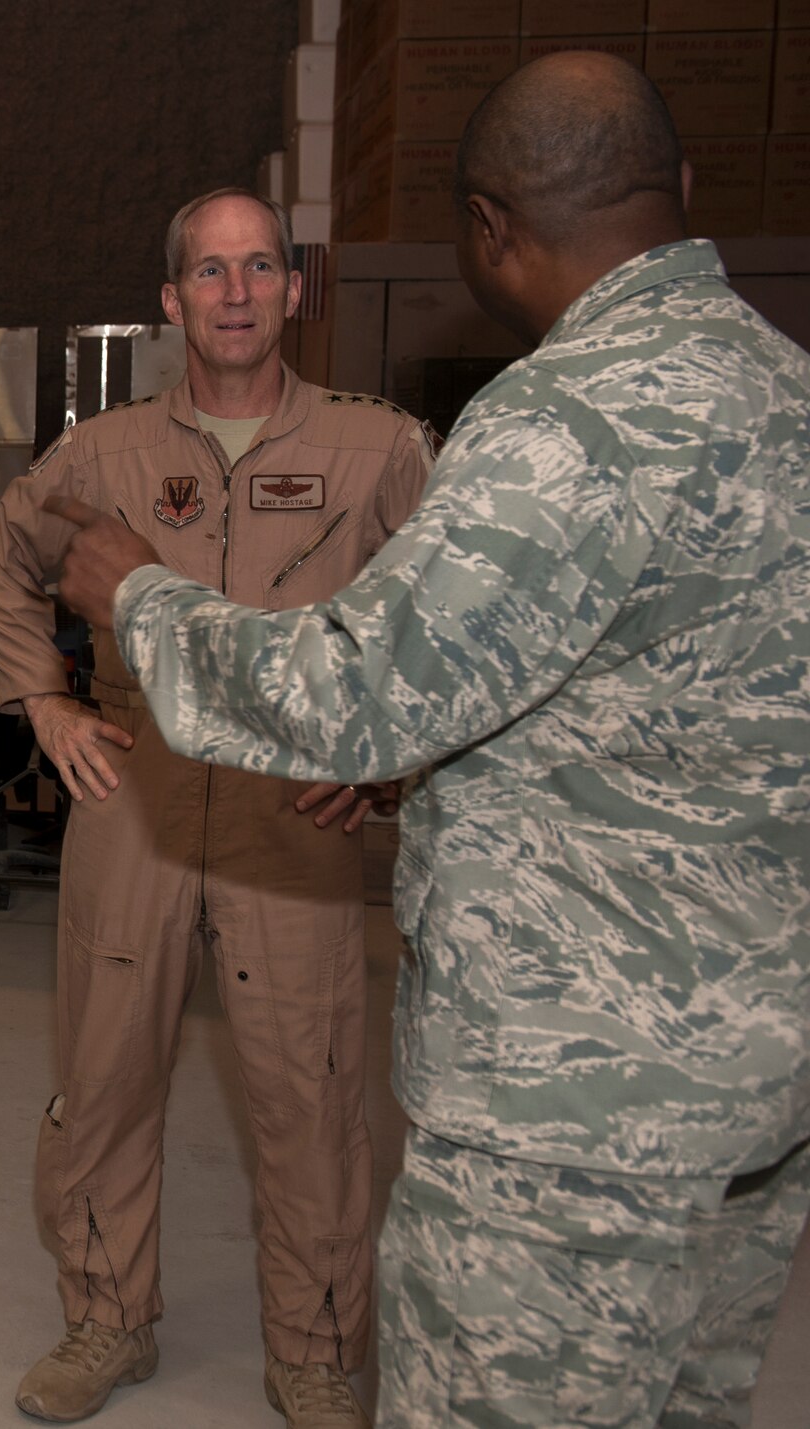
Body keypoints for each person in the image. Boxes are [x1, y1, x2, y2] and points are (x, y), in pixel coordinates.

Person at [46, 52, 810, 1429]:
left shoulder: (557, 420)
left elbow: (356, 689)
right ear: (682, 196)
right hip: (751, 1072)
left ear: (488, 229)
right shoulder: (786, 393)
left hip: (571, 1099)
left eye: (261, 268)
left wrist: (138, 602)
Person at [0, 187, 432, 1428]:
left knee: (311, 1087)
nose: (234, 292)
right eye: (208, 273)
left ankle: (315, 1349)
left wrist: (388, 751)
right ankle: (105, 1320)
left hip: (298, 809)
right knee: (107, 1071)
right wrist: (45, 702)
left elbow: (442, 623)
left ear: (294, 288)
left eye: (258, 267)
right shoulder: (100, 455)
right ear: (171, 304)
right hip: (136, 791)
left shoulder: (379, 448)